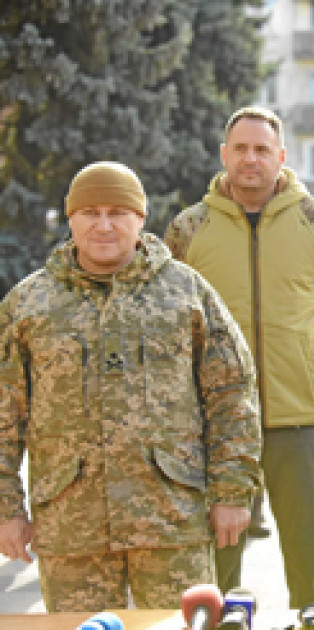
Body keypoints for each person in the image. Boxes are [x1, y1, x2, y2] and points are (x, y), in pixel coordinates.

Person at [0, 162, 261, 612]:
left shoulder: (185, 292)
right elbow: (4, 414)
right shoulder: (29, 304)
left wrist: (233, 493)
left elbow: (232, 394)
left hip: (171, 521)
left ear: (140, 218)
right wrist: (7, 508)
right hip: (71, 527)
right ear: (71, 219)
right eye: (90, 212)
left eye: (118, 212)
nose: (104, 225)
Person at [165, 107, 314, 607]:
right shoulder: (191, 228)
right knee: (216, 572)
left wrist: (310, 368)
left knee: (310, 568)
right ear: (224, 155)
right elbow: (169, 324)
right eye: (241, 149)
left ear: (280, 157)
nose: (250, 159)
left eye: (261, 150)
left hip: (299, 424)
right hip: (215, 427)